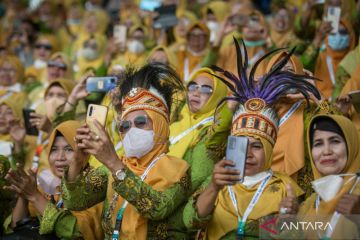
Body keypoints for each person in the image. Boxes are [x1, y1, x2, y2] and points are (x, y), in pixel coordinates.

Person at [183, 39, 320, 239]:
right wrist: (213, 187)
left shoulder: (286, 189)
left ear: (269, 148)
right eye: (241, 144)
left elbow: (298, 234)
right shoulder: (220, 178)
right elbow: (190, 222)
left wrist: (286, 220)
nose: (247, 153)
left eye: (256, 145)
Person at [62, 63, 192, 239]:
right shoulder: (118, 166)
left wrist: (114, 164)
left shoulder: (178, 169)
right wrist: (78, 160)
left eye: (140, 122)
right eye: (124, 126)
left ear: (160, 125)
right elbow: (75, 201)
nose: (131, 130)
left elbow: (157, 208)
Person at [3, 120, 103, 239]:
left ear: (85, 152)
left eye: (69, 149)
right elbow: (16, 227)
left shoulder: (95, 184)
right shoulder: (47, 184)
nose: (60, 157)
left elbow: (76, 233)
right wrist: (24, 194)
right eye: (54, 149)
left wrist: (34, 196)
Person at [281, 114, 360, 239]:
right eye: (318, 144)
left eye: (335, 141)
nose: (326, 151)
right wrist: (289, 221)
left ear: (351, 144)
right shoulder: (310, 203)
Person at [169, 67, 227, 194]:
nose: (196, 93)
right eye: (192, 86)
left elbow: (197, 178)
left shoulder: (212, 132)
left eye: (206, 89)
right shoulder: (175, 126)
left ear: (217, 96)